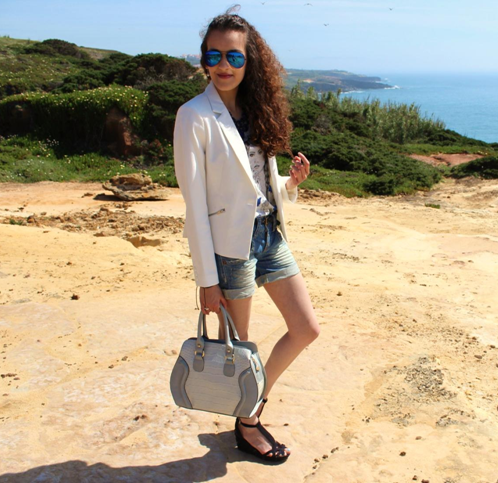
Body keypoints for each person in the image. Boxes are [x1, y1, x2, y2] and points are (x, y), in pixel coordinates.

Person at [173, 11, 320, 463]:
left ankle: (250, 410)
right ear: (203, 59)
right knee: (238, 350)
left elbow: (255, 184)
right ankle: (248, 424)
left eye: (234, 56)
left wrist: (290, 185)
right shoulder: (193, 115)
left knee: (306, 328)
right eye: (214, 55)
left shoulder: (256, 110)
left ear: (248, 60)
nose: (224, 65)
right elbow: (195, 204)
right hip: (230, 249)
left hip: (270, 233)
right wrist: (207, 280)